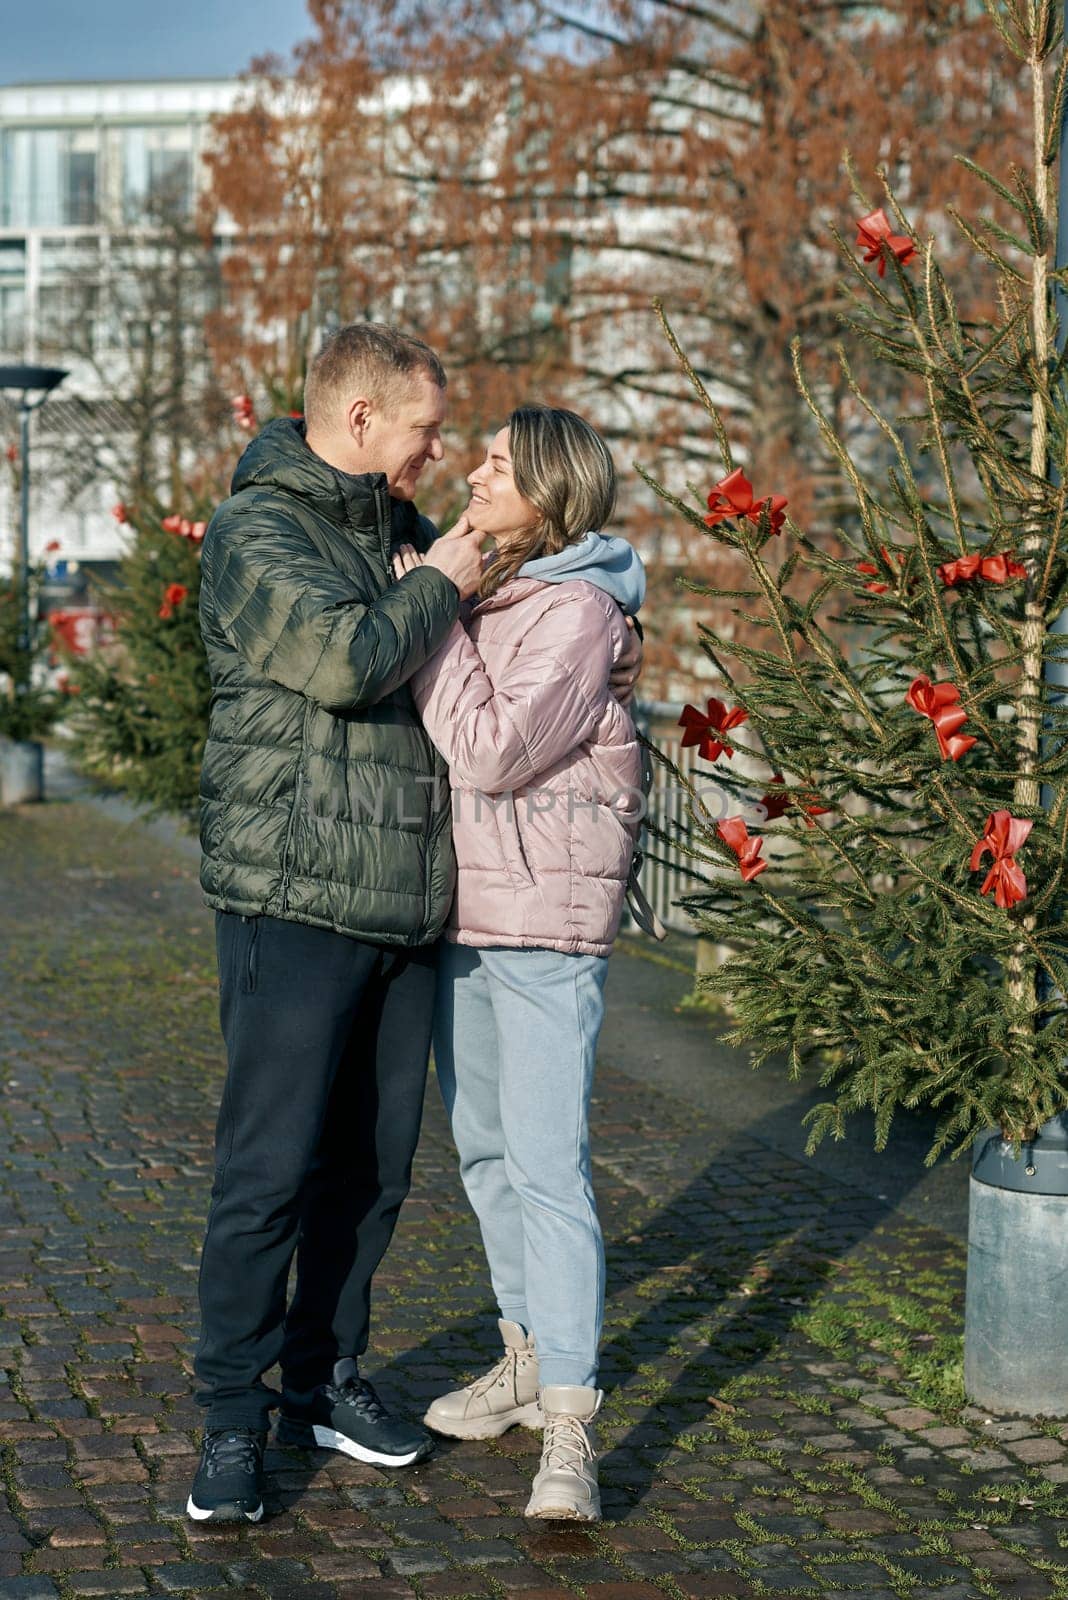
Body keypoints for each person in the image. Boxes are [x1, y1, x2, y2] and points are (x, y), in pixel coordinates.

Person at [187, 326, 643, 1524]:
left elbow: (498, 677)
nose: (442, 455)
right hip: (293, 895)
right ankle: (234, 1420)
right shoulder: (260, 533)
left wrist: (485, 598)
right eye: (430, 431)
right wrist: (441, 582)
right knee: (266, 1171)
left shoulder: (399, 532)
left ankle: (325, 1374)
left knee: (375, 1173)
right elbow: (346, 663)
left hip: (412, 904)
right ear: (359, 423)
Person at [392, 404, 645, 1522]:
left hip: (545, 924)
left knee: (548, 1165)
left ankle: (574, 1431)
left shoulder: (581, 610)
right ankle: (528, 1352)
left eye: (499, 463)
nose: (475, 474)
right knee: (486, 1152)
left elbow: (492, 752)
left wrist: (430, 615)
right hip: (469, 915)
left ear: (550, 497)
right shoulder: (499, 594)